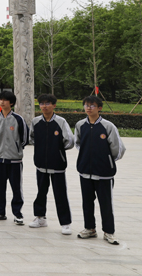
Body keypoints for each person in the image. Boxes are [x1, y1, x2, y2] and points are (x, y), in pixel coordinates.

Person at [74, 95, 126, 245]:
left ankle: (109, 232)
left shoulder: (108, 126)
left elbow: (118, 149)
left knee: (105, 203)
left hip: (104, 173)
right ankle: (90, 228)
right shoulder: (80, 125)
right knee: (87, 202)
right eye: (86, 105)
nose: (89, 108)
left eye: (92, 105)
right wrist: (86, 157)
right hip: (85, 171)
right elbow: (78, 143)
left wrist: (107, 160)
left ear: (99, 108)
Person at [29, 93, 75, 234]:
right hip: (41, 164)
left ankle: (65, 223)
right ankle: (40, 218)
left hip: (57, 164)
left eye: (47, 103)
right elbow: (31, 138)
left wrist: (57, 150)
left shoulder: (61, 122)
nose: (44, 106)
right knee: (41, 192)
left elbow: (70, 141)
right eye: (42, 103)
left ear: (54, 105)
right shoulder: (36, 122)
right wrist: (41, 149)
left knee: (60, 194)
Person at [0, 91, 30, 225]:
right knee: (0, 187)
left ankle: (18, 214)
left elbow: (25, 138)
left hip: (14, 160)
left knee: (16, 187)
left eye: (5, 100)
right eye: (0, 99)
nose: (2, 102)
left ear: (11, 103)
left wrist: (16, 149)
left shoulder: (18, 119)